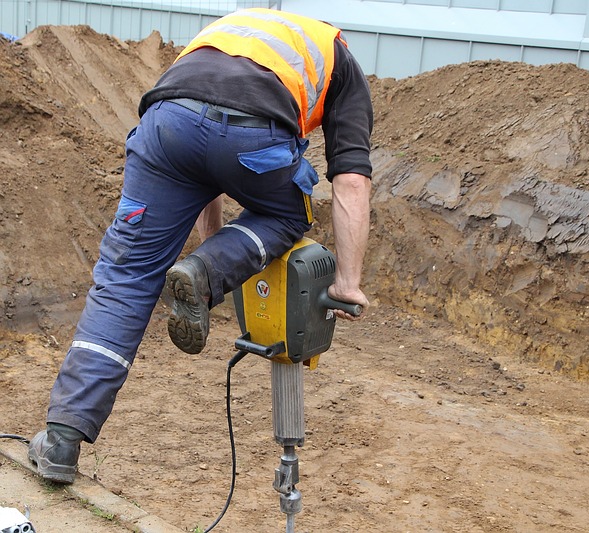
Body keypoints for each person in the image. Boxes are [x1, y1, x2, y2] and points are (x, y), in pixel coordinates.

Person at [28, 7, 373, 484]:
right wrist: (348, 283)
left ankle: (61, 440)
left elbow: (205, 142)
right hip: (255, 135)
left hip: (166, 125)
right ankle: (207, 272)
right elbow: (351, 180)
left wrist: (210, 241)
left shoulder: (232, 27)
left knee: (126, 280)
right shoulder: (339, 62)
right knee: (290, 212)